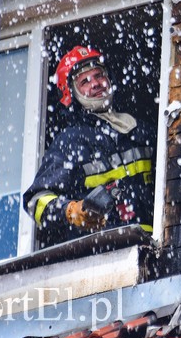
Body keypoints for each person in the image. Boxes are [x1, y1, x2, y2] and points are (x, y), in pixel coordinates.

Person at [23, 45, 156, 248]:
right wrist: (70, 211)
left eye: (99, 75)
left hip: (152, 250)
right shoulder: (71, 142)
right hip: (103, 257)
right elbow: (36, 201)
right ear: (71, 93)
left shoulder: (139, 130)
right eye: (84, 81)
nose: (95, 84)